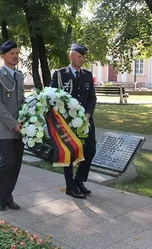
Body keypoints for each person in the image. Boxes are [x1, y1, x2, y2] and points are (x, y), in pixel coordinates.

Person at [50, 43, 97, 199]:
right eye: (79, 56)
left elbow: (92, 98)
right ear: (71, 56)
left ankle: (79, 180)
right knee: (69, 152)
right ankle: (70, 186)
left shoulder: (87, 75)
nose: (82, 59)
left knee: (90, 150)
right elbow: (51, 97)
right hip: (67, 122)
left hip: (86, 121)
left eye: (83, 56)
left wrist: (89, 114)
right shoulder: (59, 74)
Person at [0, 40, 25, 211]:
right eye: (11, 53)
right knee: (7, 161)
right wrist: (13, 124)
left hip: (20, 127)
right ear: (3, 56)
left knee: (16, 163)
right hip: (4, 128)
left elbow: (20, 101)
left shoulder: (19, 75)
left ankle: (7, 195)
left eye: (17, 53)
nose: (15, 56)